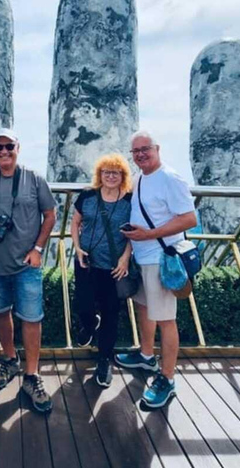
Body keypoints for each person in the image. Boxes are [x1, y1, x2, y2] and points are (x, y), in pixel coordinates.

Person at [0, 128, 57, 413]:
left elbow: (50, 214)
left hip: (27, 263)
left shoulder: (34, 179)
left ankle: (32, 374)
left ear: (18, 148)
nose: (3, 152)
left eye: (8, 146)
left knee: (31, 318)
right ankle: (10, 359)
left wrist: (37, 249)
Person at [118, 130, 197, 408]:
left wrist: (150, 234)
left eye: (145, 149)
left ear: (157, 148)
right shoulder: (139, 179)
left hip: (161, 257)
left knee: (165, 319)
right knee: (143, 307)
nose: (140, 154)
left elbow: (189, 219)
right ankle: (147, 355)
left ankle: (167, 378)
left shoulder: (170, 178)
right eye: (136, 151)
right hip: (142, 256)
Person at [70, 154, 133, 388]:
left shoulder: (128, 200)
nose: (110, 176)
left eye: (115, 172)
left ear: (122, 176)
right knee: (83, 305)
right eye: (106, 172)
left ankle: (105, 360)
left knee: (111, 314)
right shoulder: (87, 196)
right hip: (86, 261)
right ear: (99, 174)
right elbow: (75, 222)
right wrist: (76, 248)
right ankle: (88, 324)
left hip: (113, 267)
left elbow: (133, 233)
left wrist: (125, 258)